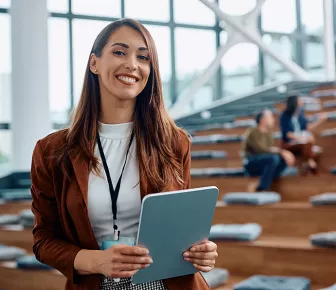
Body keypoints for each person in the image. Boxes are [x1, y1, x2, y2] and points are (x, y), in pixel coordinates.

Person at [30, 19, 217, 290]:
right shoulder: (51, 151)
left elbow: (182, 229)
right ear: (94, 63)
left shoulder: (174, 142)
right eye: (120, 52)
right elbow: (43, 240)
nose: (132, 64)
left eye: (143, 57)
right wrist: (97, 261)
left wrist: (203, 251)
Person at [242, 109, 296, 192]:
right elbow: (261, 149)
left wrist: (282, 154)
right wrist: (282, 152)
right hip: (251, 163)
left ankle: (269, 180)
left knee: (282, 160)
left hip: (265, 162)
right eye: (270, 117)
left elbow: (270, 150)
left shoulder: (269, 134)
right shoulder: (252, 132)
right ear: (262, 119)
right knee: (273, 158)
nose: (272, 119)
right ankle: (262, 188)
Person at [280, 94, 327, 174]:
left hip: (302, 142)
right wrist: (301, 138)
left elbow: (307, 127)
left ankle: (308, 166)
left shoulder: (300, 114)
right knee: (308, 144)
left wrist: (319, 121)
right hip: (290, 143)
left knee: (315, 148)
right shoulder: (284, 116)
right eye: (299, 100)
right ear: (294, 102)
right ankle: (310, 164)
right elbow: (288, 134)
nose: (301, 102)